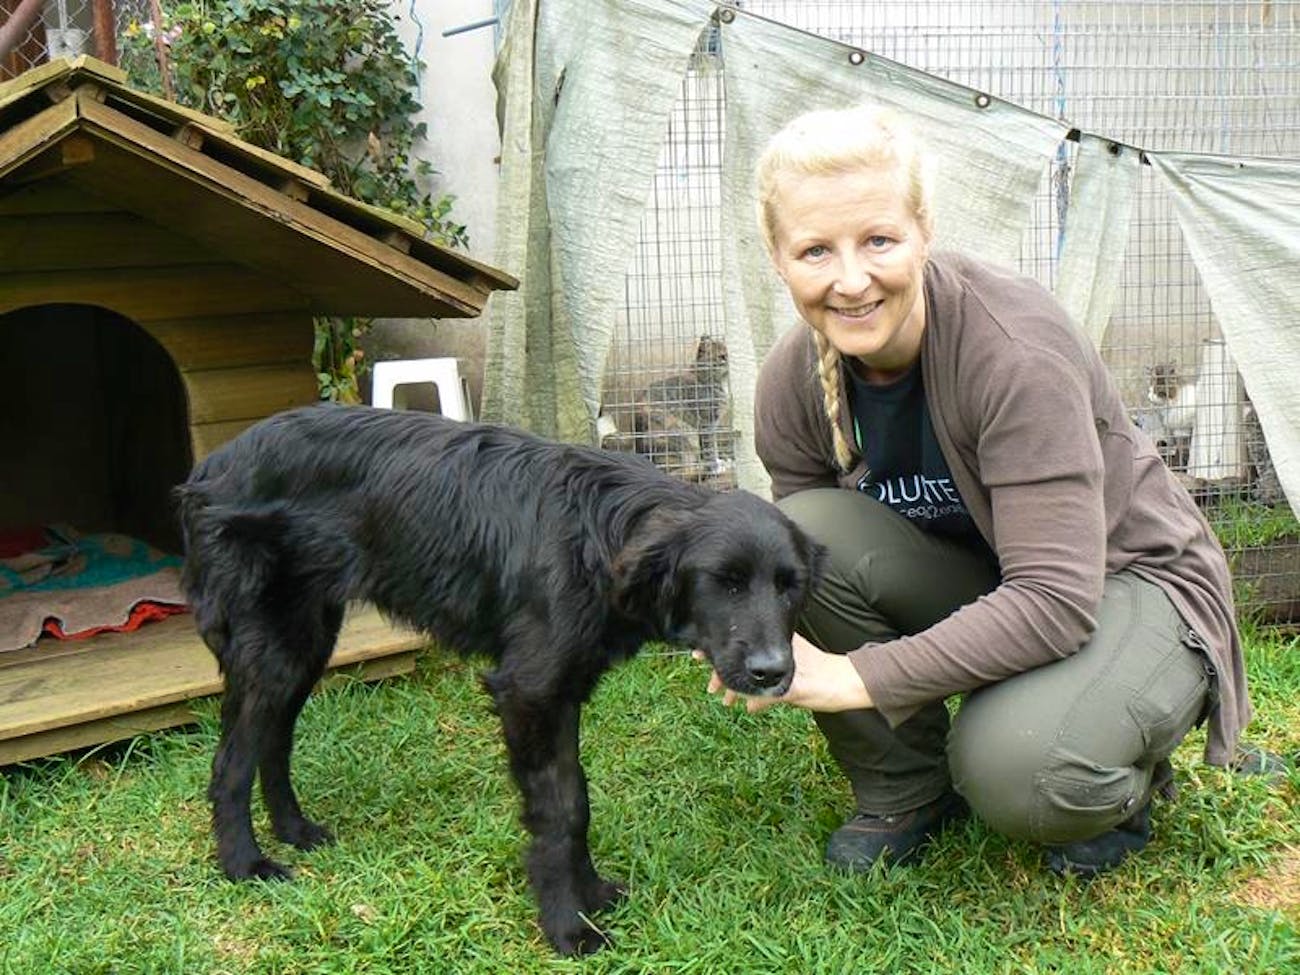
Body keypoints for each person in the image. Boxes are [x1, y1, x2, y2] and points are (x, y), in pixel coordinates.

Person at [702, 103, 1255, 877]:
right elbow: (798, 580)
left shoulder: (1012, 351)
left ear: (925, 229)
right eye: (816, 250)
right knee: (799, 533)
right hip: (991, 576)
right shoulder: (789, 383)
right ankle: (905, 787)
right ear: (777, 256)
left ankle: (1112, 774)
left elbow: (1057, 597)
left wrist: (853, 676)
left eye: (879, 240)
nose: (851, 279)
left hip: (1126, 579)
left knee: (1021, 766)